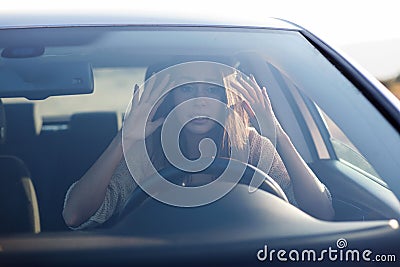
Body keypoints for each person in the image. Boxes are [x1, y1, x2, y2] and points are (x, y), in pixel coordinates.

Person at [62, 61, 334, 230]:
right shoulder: (146, 151)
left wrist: (278, 134)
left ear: (227, 97)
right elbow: (75, 215)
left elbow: (320, 212)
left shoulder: (250, 144)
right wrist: (125, 139)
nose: (200, 101)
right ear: (170, 98)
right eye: (187, 89)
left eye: (212, 89)